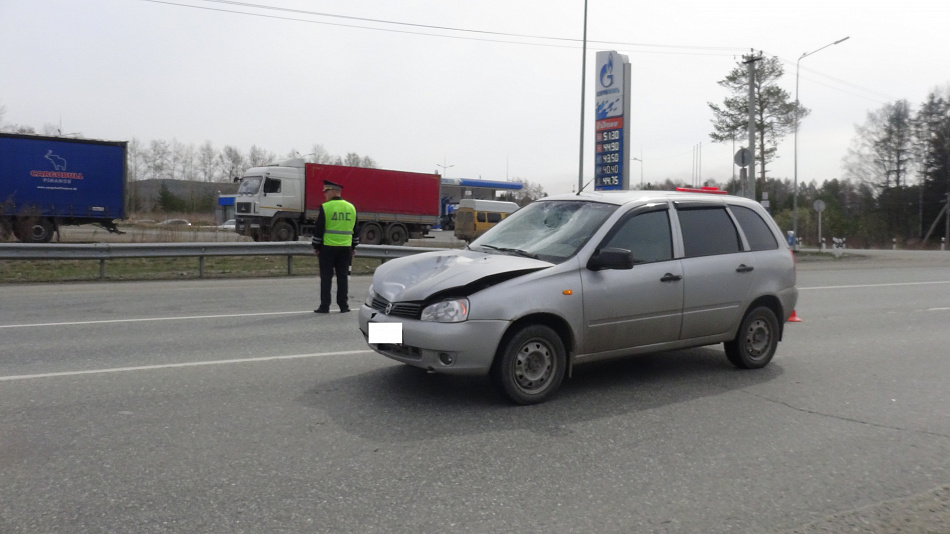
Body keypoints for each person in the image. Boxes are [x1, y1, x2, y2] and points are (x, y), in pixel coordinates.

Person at [311, 180, 358, 313]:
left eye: (326, 192)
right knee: (343, 277)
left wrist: (316, 246)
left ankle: (325, 306)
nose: (324, 195)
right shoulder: (351, 207)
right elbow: (355, 230)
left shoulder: (326, 207)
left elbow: (319, 229)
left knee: (326, 277)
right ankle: (344, 306)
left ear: (333, 192)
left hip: (328, 248)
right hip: (345, 248)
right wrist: (353, 247)